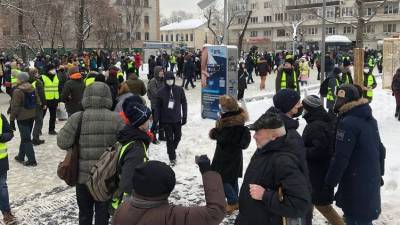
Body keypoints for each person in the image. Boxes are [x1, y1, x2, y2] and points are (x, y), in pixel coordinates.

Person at [57, 82, 125, 225]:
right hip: (106, 177)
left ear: (86, 96)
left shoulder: (77, 117)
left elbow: (62, 142)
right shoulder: (117, 119)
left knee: (85, 214)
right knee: (102, 215)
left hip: (82, 178)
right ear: (108, 97)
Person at [235, 113, 311, 225]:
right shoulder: (264, 150)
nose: (254, 136)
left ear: (274, 136)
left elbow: (299, 204)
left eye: (258, 133)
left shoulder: (284, 162)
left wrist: (265, 195)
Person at [326, 84, 386, 225]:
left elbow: (341, 157)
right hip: (369, 179)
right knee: (363, 219)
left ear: (346, 101)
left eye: (339, 99)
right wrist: (379, 174)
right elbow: (381, 150)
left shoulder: (347, 123)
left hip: (355, 182)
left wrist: (330, 182)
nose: (336, 102)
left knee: (355, 219)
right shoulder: (369, 119)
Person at [112, 158, 226, 225]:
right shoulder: (172, 216)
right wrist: (207, 172)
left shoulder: (122, 209)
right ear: (169, 188)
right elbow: (215, 212)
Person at [301, 95, 345, 225]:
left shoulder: (316, 126)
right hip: (320, 171)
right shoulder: (325, 120)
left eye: (304, 108)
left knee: (322, 205)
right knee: (308, 202)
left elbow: (320, 150)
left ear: (309, 109)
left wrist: (301, 151)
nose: (303, 111)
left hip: (318, 174)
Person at [209, 95, 251, 214]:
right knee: (231, 179)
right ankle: (235, 203)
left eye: (222, 106)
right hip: (232, 157)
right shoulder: (234, 119)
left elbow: (225, 138)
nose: (220, 108)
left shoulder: (231, 123)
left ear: (227, 108)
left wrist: (217, 133)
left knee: (221, 179)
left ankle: (233, 201)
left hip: (226, 158)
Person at [112, 97, 152, 210]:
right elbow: (128, 181)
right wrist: (131, 208)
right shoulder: (136, 147)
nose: (150, 122)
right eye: (147, 120)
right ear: (140, 123)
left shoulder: (130, 135)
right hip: (131, 203)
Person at [153, 72, 187, 166]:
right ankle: (172, 157)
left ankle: (171, 149)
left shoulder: (179, 90)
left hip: (177, 119)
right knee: (169, 139)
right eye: (168, 79)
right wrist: (156, 120)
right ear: (165, 80)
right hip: (166, 120)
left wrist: (184, 116)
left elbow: (184, 103)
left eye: (171, 79)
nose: (170, 81)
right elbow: (157, 107)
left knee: (178, 136)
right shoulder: (160, 92)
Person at [10, 72, 40, 167]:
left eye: (18, 78)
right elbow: (38, 101)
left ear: (21, 79)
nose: (16, 79)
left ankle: (32, 160)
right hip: (31, 116)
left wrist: (11, 120)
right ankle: (20, 156)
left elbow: (14, 107)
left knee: (26, 138)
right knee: (25, 136)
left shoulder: (17, 91)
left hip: (22, 118)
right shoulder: (32, 87)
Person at [0, 113, 16, 225]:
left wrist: (1, 137)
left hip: (1, 160)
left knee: (2, 186)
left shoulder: (0, 117)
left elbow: (10, 133)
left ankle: (6, 212)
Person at [40, 63, 59, 135]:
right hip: (45, 99)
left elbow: (58, 88)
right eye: (52, 69)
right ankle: (38, 130)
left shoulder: (56, 76)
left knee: (53, 115)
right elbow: (40, 90)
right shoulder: (42, 77)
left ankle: (51, 130)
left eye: (54, 69)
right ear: (48, 70)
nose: (54, 70)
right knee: (41, 116)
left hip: (54, 98)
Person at [147, 66, 165, 143]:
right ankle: (152, 137)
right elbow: (155, 93)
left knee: (162, 120)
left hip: (162, 104)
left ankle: (161, 136)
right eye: (161, 71)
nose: (162, 72)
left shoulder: (163, 80)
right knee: (155, 121)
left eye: (162, 71)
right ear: (157, 72)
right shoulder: (153, 81)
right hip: (155, 105)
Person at [29, 68, 46, 146]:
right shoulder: (38, 82)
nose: (38, 74)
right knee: (39, 121)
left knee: (31, 122)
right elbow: (41, 94)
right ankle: (35, 139)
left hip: (29, 105)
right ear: (35, 74)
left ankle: (28, 139)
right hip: (37, 104)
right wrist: (44, 104)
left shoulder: (26, 81)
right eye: (37, 73)